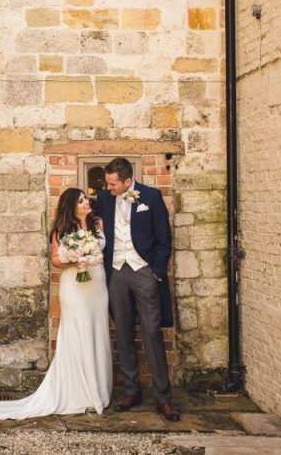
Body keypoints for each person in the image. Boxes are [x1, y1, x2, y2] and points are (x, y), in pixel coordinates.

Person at [0, 187, 112, 419]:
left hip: (96, 287)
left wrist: (90, 256)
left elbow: (103, 252)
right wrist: (73, 258)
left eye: (86, 199)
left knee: (96, 332)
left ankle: (97, 387)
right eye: (82, 200)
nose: (86, 203)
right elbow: (56, 260)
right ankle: (78, 392)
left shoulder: (97, 225)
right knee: (78, 332)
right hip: (75, 287)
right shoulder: (61, 230)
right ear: (71, 206)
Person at [97, 156, 180, 421]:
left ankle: (163, 398)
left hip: (144, 272)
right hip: (116, 273)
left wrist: (156, 273)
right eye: (107, 183)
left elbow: (163, 239)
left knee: (152, 332)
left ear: (127, 180)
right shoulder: (104, 198)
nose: (108, 188)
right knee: (122, 332)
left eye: (112, 184)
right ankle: (132, 392)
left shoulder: (152, 197)